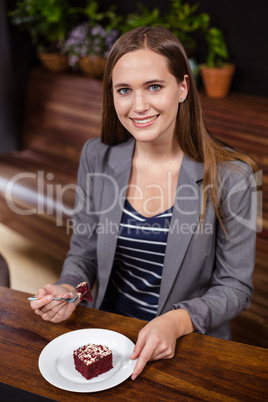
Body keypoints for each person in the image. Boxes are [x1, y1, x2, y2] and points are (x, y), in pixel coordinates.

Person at [30, 26, 258, 380]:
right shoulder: (97, 156)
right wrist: (68, 288)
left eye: (154, 86)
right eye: (124, 90)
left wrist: (174, 322)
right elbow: (84, 254)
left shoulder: (232, 176)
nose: (139, 106)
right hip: (108, 333)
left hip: (184, 345)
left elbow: (235, 288)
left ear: (182, 87)